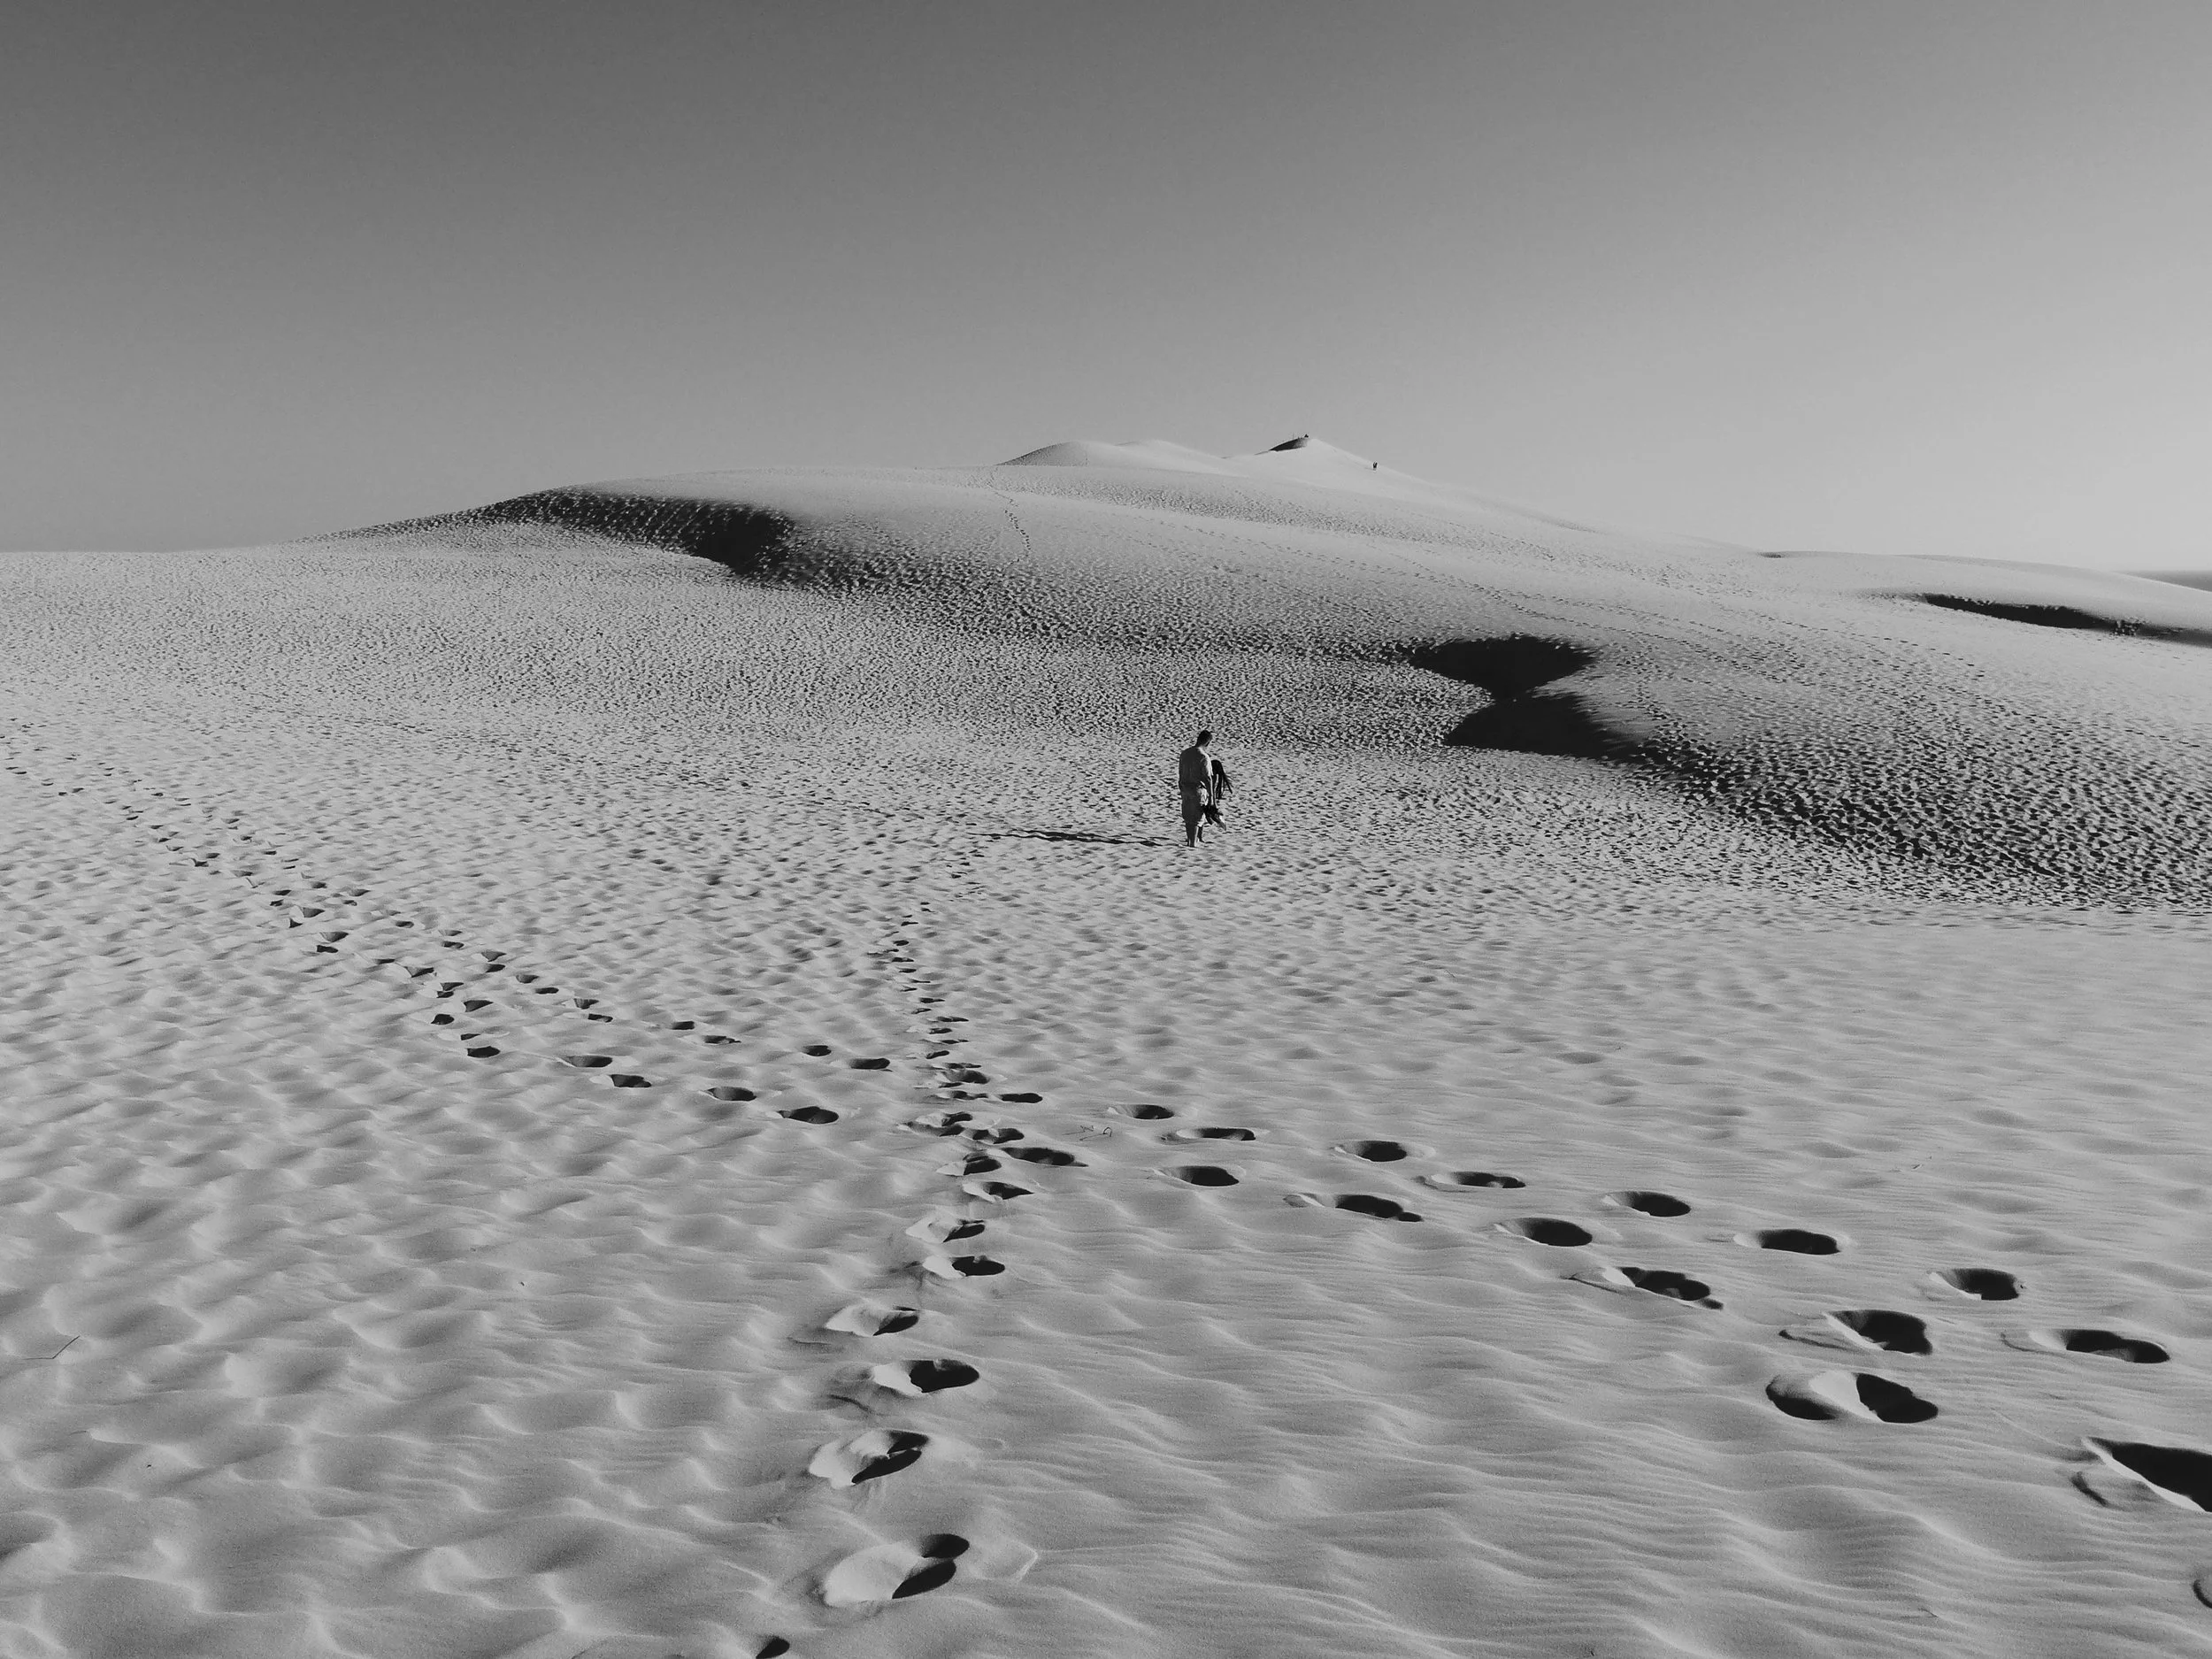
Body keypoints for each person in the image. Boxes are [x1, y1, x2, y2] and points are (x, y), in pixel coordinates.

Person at [1175, 729, 1232, 847]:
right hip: (1197, 788)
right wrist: (1212, 798)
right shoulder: (1204, 757)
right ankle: (1194, 843)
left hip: (1185, 787)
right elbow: (1208, 778)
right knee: (1196, 817)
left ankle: (1191, 839)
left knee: (1188, 816)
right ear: (1208, 743)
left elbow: (1180, 771)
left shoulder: (1185, 753)